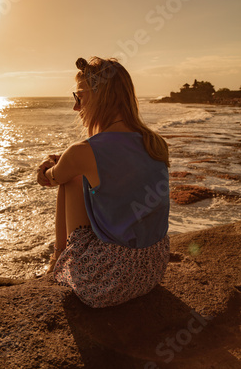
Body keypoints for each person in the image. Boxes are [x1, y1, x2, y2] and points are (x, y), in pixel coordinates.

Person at [36, 56, 170, 308]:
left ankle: (57, 260)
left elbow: (50, 179)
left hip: (109, 281)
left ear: (99, 97)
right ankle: (58, 260)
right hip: (154, 268)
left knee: (72, 180)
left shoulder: (83, 152)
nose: (77, 107)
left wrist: (50, 168)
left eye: (79, 97)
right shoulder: (155, 142)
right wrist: (69, 161)